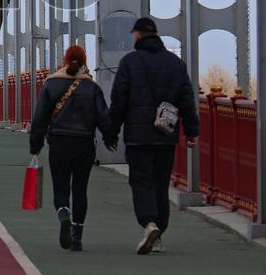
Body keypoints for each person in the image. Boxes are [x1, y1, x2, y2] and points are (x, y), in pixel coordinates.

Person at [104, 17, 199, 255]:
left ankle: (149, 223)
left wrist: (111, 132)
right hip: (166, 133)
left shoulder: (129, 63)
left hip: (137, 136)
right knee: (160, 184)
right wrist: (191, 131)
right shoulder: (176, 64)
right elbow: (187, 100)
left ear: (137, 35)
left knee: (141, 181)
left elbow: (119, 102)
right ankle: (159, 235)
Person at [29, 45, 112, 253]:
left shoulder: (51, 84)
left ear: (65, 61)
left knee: (61, 187)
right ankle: (77, 238)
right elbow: (104, 117)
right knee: (80, 189)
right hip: (84, 144)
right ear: (84, 62)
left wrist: (36, 145)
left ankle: (64, 214)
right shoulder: (91, 87)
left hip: (59, 142)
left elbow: (39, 119)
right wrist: (111, 138)